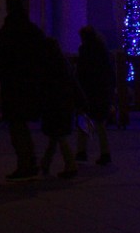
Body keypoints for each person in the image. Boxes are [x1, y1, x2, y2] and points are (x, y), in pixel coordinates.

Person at [0, 0, 45, 181]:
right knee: (21, 125)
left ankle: (25, 163)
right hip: (30, 85)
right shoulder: (32, 30)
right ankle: (30, 161)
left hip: (13, 86)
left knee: (17, 127)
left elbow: (0, 58)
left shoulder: (9, 30)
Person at [35, 35, 83, 179]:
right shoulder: (63, 63)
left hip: (55, 105)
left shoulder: (48, 65)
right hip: (65, 104)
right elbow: (74, 83)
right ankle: (45, 163)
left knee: (58, 135)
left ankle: (70, 164)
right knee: (54, 135)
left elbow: (45, 87)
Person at [74, 25, 115, 167]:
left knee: (85, 122)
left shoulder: (85, 51)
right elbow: (109, 73)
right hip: (102, 92)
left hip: (89, 92)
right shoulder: (103, 51)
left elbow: (81, 73)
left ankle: (82, 151)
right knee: (99, 124)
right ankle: (105, 153)